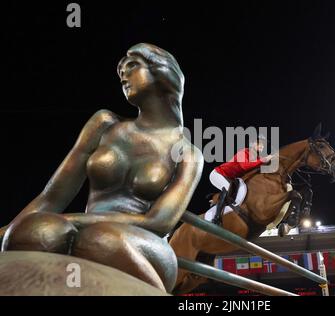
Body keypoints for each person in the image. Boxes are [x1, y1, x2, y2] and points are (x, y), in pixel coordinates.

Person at [0, 43, 203, 293]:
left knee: (101, 240)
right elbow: (51, 197)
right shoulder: (104, 124)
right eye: (120, 72)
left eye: (132, 66)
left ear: (162, 71)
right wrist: (8, 231)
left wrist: (73, 220)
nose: (124, 76)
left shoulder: (188, 153)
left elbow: (158, 222)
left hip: (144, 243)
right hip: (82, 230)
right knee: (36, 232)